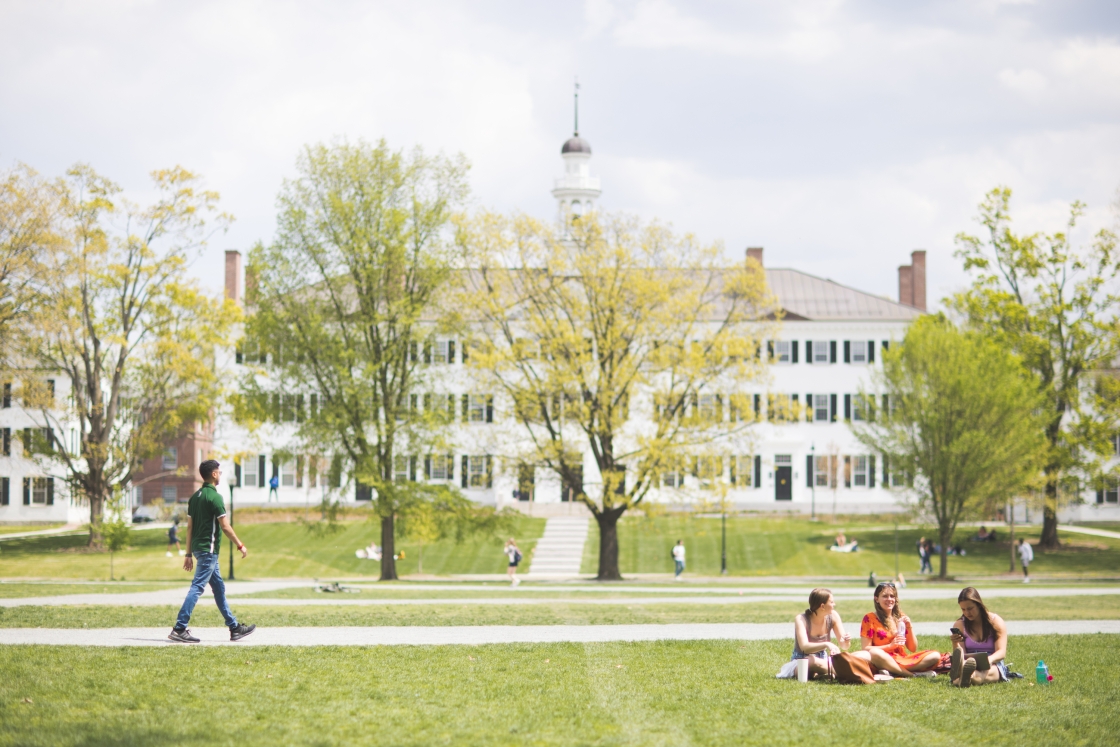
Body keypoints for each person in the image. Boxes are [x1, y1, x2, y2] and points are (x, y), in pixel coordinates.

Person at [168, 460, 256, 644]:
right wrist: (240, 545)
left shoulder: (194, 497)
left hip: (200, 550)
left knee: (218, 589)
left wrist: (188, 553)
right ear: (214, 475)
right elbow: (225, 526)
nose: (221, 475)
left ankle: (234, 628)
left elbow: (189, 528)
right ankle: (179, 628)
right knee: (198, 587)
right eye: (219, 472)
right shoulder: (215, 497)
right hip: (209, 551)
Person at [783, 588, 893, 680]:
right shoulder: (802, 619)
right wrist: (827, 644)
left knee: (865, 655)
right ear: (822, 606)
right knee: (811, 661)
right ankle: (856, 673)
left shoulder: (833, 616)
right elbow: (804, 647)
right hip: (802, 661)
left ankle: (829, 672)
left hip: (825, 660)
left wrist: (845, 641)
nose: (834, 604)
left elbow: (844, 646)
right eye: (831, 602)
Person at [860, 581, 941, 677]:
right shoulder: (869, 618)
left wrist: (909, 626)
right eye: (885, 596)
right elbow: (866, 648)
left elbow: (913, 648)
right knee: (874, 653)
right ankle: (912, 675)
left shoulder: (901, 617)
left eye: (892, 596)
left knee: (935, 655)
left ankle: (893, 671)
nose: (889, 599)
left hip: (902, 659)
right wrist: (890, 646)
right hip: (882, 658)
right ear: (876, 599)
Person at [950, 587, 1010, 687]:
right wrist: (955, 643)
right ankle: (967, 676)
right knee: (966, 665)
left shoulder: (996, 621)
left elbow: (1001, 652)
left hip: (992, 662)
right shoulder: (960, 624)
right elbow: (962, 654)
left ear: (979, 604)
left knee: (985, 673)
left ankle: (962, 679)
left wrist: (989, 660)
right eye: (963, 609)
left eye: (970, 608)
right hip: (969, 661)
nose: (967, 613)